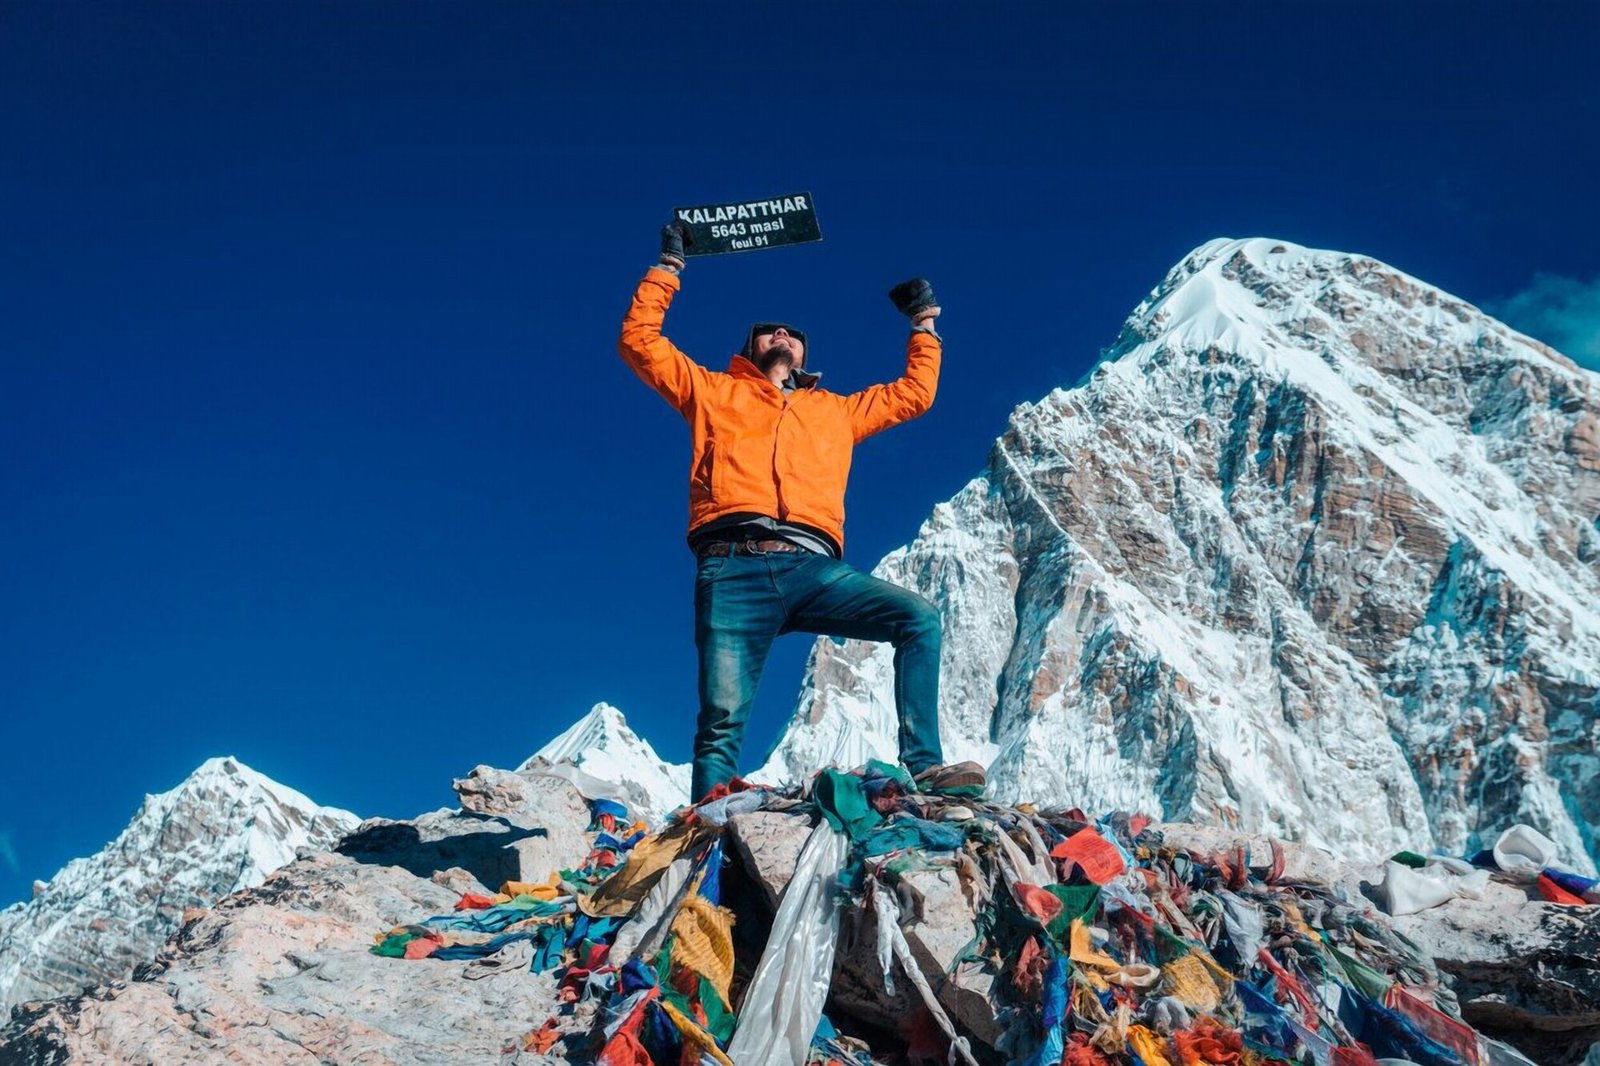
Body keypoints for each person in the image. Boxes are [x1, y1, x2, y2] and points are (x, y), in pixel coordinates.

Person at [617, 221, 986, 801]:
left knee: (918, 618)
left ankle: (924, 766)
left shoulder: (836, 410)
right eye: (768, 331)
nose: (782, 334)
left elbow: (915, 393)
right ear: (750, 349)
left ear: (806, 353)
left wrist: (924, 326)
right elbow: (640, 342)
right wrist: (668, 268)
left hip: (813, 567)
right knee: (721, 721)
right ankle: (708, 836)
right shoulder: (712, 390)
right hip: (732, 565)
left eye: (793, 332)